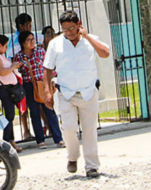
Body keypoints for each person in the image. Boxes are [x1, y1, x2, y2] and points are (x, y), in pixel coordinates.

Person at [43, 10, 110, 178]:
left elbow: (105, 53)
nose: (69, 33)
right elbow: (48, 68)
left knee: (89, 130)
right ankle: (72, 157)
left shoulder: (90, 40)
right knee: (69, 128)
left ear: (79, 24)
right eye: (65, 29)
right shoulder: (55, 44)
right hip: (66, 92)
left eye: (72, 28)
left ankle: (92, 166)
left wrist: (87, 37)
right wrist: (47, 92)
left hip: (88, 91)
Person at [14, 31, 63, 149]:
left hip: (42, 83)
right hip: (29, 85)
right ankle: (40, 140)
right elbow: (17, 72)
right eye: (29, 40)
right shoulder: (19, 56)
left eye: (33, 39)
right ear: (22, 43)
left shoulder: (40, 51)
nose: (32, 42)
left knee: (49, 110)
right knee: (35, 112)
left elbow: (49, 66)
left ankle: (58, 138)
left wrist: (52, 82)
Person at [0, 34, 23, 153]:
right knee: (10, 116)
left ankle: (11, 141)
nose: (6, 48)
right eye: (6, 46)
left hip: (10, 89)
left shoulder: (0, 56)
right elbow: (2, 72)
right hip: (5, 90)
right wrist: (13, 67)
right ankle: (6, 141)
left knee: (10, 115)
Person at [6, 13, 32, 141]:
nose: (30, 27)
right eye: (27, 25)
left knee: (37, 103)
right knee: (22, 105)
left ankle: (44, 128)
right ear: (21, 26)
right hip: (19, 76)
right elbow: (11, 59)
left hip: (30, 75)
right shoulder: (14, 41)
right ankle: (26, 130)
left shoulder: (30, 38)